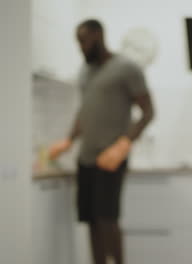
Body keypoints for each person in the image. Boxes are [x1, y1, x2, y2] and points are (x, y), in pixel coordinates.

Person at [48, 19, 154, 264]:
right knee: (91, 219)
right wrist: (69, 139)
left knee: (107, 219)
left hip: (111, 156)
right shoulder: (85, 71)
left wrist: (124, 144)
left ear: (98, 36)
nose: (81, 47)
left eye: (83, 41)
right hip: (86, 155)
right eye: (78, 42)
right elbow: (84, 111)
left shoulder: (127, 68)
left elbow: (148, 111)